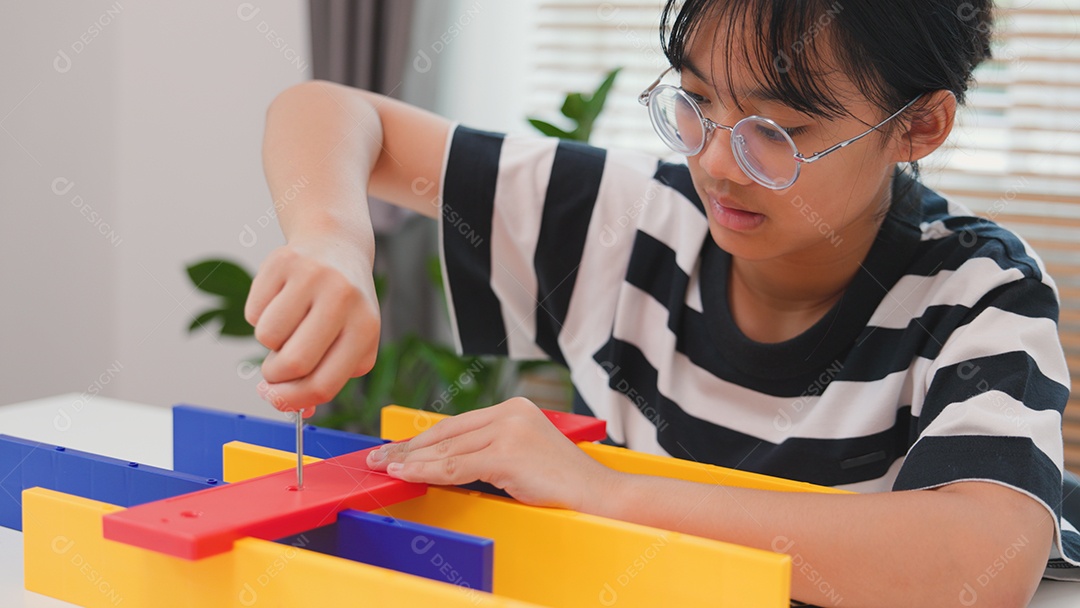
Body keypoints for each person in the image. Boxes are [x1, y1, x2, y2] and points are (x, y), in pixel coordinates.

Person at [245, 1, 1080, 604]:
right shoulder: (632, 220)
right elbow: (329, 111)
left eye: (778, 131)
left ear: (919, 127)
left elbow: (977, 562)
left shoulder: (980, 290)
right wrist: (331, 241)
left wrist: (603, 490)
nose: (716, 163)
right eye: (697, 101)